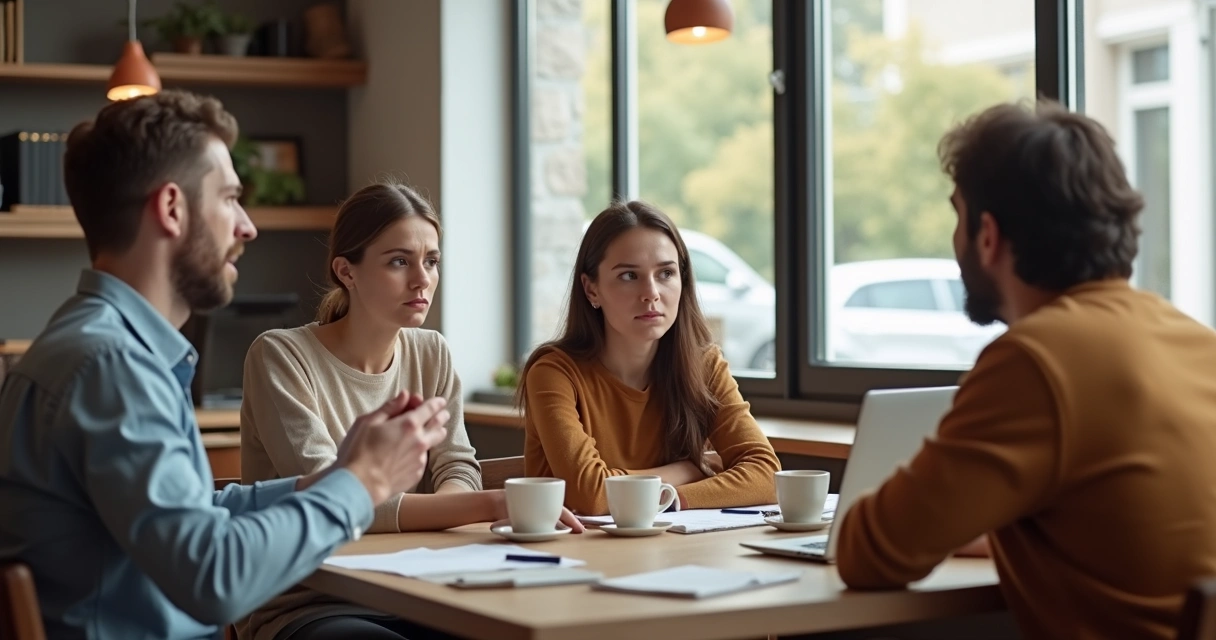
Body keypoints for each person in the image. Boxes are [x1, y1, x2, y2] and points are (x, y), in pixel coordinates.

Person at [0, 90, 452, 639]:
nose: (247, 227)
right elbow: (215, 576)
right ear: (172, 209)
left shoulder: (98, 348)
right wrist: (361, 481)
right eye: (231, 199)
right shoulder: (111, 367)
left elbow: (195, 509)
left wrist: (334, 477)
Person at [835, 99, 1216, 640]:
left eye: (958, 216)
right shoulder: (1195, 340)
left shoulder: (1036, 361)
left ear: (987, 235)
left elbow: (868, 553)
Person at [239, 181, 582, 640]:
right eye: (399, 261)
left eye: (432, 261)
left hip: (425, 590)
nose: (422, 279)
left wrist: (449, 506)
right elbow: (334, 498)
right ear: (347, 271)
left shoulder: (431, 353)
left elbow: (457, 464)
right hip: (311, 603)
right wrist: (489, 503)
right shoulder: (280, 356)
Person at [518, 200, 780, 516]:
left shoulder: (704, 365)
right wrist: (687, 469)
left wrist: (674, 498)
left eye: (666, 273)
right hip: (578, 557)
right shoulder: (553, 372)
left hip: (676, 551)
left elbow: (766, 475)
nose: (651, 293)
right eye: (629, 276)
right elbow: (592, 495)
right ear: (591, 289)